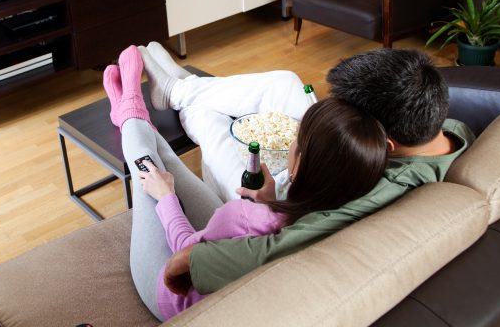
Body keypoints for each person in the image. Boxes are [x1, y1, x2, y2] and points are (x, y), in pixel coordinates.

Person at [136, 43, 476, 297]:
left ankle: (187, 95)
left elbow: (278, 249)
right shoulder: (452, 132)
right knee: (285, 83)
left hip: (285, 195)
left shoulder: (387, 189)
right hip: (316, 170)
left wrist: (192, 260)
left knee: (213, 130)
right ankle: (185, 88)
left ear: (385, 145)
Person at [105, 45, 388, 321]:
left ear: (299, 162)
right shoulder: (344, 209)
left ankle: (130, 110)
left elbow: (187, 253)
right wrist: (271, 199)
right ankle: (138, 108)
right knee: (168, 164)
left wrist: (167, 197)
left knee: (149, 167)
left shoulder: (246, 217)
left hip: (174, 296)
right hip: (228, 255)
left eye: (296, 139)